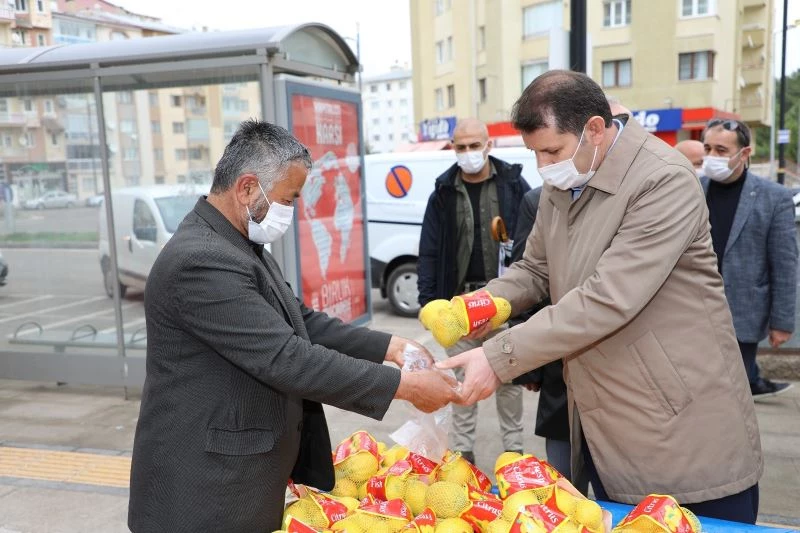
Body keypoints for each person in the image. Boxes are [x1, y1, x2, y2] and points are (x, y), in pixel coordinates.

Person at [439, 70, 763, 524]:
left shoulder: (662, 180)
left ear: (594, 128)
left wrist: (498, 357)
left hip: (677, 420)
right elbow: (535, 269)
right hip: (604, 421)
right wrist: (478, 306)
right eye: (535, 153)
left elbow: (608, 298)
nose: (543, 166)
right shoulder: (567, 179)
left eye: (552, 151)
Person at [128, 120, 459, 532]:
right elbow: (286, 358)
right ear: (247, 188)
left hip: (236, 480)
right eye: (288, 199)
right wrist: (403, 387)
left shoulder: (238, 244)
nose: (292, 210)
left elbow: (299, 320)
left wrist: (390, 346)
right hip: (204, 491)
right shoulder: (201, 260)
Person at [417, 117, 531, 465]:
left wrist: (528, 303)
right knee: (462, 380)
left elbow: (532, 244)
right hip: (458, 304)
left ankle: (514, 450)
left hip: (504, 302)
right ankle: (464, 452)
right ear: (453, 148)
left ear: (488, 145)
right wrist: (428, 303)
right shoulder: (443, 192)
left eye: (474, 145)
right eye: (461, 146)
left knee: (509, 378)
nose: (467, 152)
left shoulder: (513, 184)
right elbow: (429, 250)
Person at [700, 118, 797, 399]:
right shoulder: (692, 188)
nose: (712, 156)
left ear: (744, 153)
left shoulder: (774, 198)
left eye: (721, 150)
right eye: (707, 148)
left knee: (733, 395)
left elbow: (785, 264)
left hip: (742, 315)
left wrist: (782, 322)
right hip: (694, 311)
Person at [507, 187, 578, 489]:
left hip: (617, 369)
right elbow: (529, 276)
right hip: (558, 360)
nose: (547, 166)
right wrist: (526, 364)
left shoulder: (631, 193)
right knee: (563, 482)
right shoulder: (538, 200)